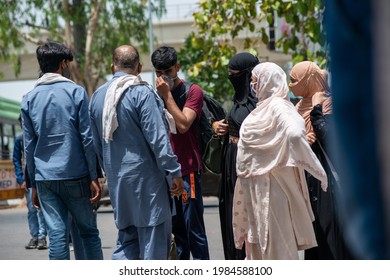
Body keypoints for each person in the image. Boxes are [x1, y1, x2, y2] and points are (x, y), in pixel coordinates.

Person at [89, 45, 184, 260]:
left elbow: (96, 143)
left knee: (127, 241)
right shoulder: (142, 93)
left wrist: (109, 171)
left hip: (118, 182)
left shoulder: (97, 97)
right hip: (147, 183)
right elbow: (159, 140)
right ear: (139, 67)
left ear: (112, 67)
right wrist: (174, 172)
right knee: (153, 244)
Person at [232, 62, 328, 260]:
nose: (253, 86)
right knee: (261, 248)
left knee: (278, 247)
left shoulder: (279, 107)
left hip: (274, 188)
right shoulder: (263, 108)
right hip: (257, 190)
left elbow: (294, 133)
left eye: (256, 82)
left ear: (268, 82)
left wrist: (286, 155)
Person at [21, 42, 103, 260]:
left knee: (56, 235)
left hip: (46, 178)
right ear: (63, 63)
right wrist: (94, 176)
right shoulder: (76, 92)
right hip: (76, 175)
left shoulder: (28, 99)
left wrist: (33, 184)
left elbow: (29, 148)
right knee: (88, 232)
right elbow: (87, 138)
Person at [289, 61, 353, 259]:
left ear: (309, 79)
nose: (291, 84)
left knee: (328, 232)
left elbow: (332, 140)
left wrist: (316, 113)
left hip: (326, 178)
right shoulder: (297, 105)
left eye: (295, 79)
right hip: (304, 177)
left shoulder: (329, 102)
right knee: (313, 235)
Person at [151, 46, 210, 260]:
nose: (163, 76)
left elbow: (184, 124)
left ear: (177, 67)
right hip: (166, 173)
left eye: (168, 71)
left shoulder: (192, 91)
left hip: (187, 170)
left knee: (194, 229)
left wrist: (167, 96)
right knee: (177, 232)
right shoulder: (153, 94)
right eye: (158, 72)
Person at [211, 52, 259, 260]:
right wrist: (219, 127)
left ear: (248, 75)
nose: (231, 77)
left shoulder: (259, 101)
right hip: (231, 161)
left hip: (248, 165)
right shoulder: (239, 100)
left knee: (247, 220)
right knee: (231, 215)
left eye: (235, 74)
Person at [12, 114, 48, 250]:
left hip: (40, 177)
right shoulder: (19, 139)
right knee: (32, 210)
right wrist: (21, 179)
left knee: (41, 209)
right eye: (21, 123)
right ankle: (34, 236)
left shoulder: (37, 136)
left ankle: (42, 236)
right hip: (28, 181)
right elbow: (16, 160)